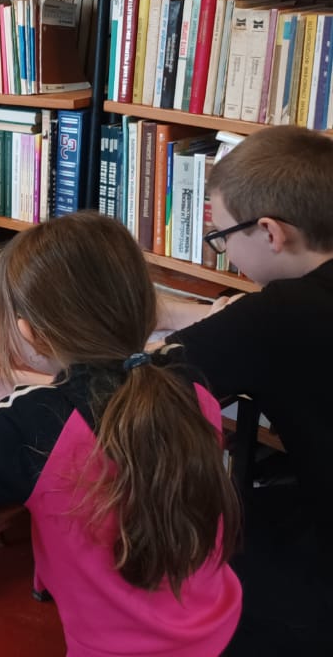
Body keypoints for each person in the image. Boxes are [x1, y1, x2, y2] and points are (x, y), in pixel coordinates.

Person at [0, 212, 242, 656]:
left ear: (30, 333)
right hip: (222, 627)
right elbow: (114, 383)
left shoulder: (36, 422)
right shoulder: (188, 378)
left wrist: (25, 395)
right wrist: (18, 382)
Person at [152, 125, 333, 655]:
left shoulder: (278, 316)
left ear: (271, 233)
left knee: (194, 551)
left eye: (223, 237)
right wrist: (177, 313)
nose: (226, 253)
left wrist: (24, 380)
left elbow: (142, 380)